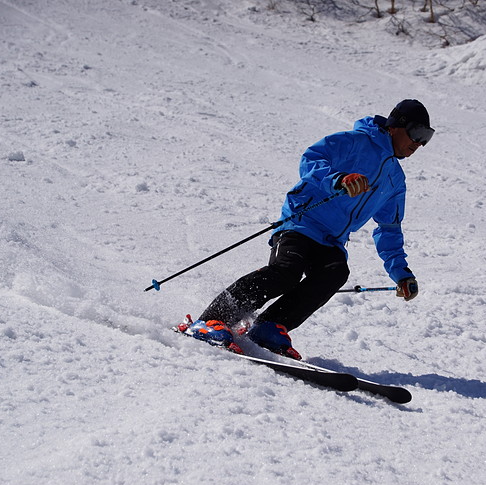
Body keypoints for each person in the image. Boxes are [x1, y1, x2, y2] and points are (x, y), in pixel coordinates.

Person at [184, 99, 435, 359]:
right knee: (286, 272)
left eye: (426, 138)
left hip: (331, 240)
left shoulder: (395, 180)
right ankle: (211, 320)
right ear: (396, 126)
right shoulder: (356, 142)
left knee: (335, 272)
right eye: (417, 133)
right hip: (301, 222)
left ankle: (268, 326)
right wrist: (337, 180)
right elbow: (311, 159)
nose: (418, 144)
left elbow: (389, 228)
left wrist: (401, 274)